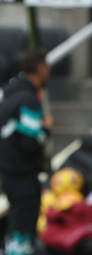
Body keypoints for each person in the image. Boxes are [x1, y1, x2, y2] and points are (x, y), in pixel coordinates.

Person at [0, 48, 53, 255]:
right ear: (40, 69)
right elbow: (31, 142)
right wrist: (46, 129)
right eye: (47, 67)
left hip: (11, 173)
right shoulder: (28, 99)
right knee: (22, 228)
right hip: (22, 176)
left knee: (16, 225)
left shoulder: (11, 94)